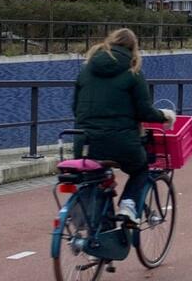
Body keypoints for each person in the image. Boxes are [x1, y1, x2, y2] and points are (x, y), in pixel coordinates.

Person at [72, 29, 175, 224]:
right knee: (140, 169)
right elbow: (144, 112)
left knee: (93, 175)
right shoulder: (133, 72)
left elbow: (75, 108)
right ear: (133, 48)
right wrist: (164, 116)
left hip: (84, 142)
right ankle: (128, 205)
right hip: (121, 143)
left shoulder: (86, 70)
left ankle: (87, 226)